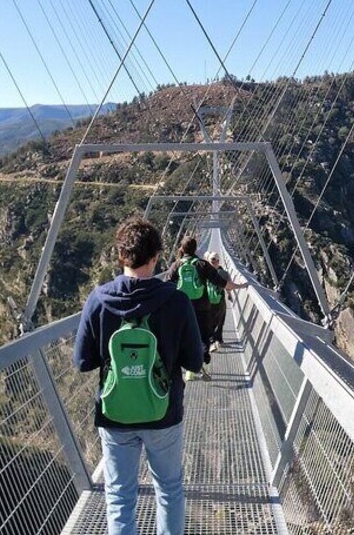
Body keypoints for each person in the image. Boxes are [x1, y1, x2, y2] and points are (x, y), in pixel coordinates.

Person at [74, 217, 203, 535]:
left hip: (115, 415)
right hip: (163, 413)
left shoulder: (99, 299)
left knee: (119, 496)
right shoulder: (176, 300)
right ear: (157, 256)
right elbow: (194, 362)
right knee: (169, 490)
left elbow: (82, 362)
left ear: (121, 257)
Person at [166, 237, 247, 381]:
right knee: (204, 338)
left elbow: (166, 286)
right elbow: (222, 283)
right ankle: (204, 364)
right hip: (203, 308)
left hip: (183, 308)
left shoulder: (176, 265)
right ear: (196, 249)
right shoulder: (203, 264)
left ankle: (190, 371)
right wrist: (241, 286)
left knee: (186, 337)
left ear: (182, 249)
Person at [205, 251, 232, 352]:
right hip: (220, 300)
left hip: (208, 301)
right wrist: (230, 295)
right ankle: (219, 340)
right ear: (218, 261)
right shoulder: (223, 273)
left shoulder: (205, 271)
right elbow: (228, 286)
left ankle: (212, 341)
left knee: (210, 321)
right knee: (221, 320)